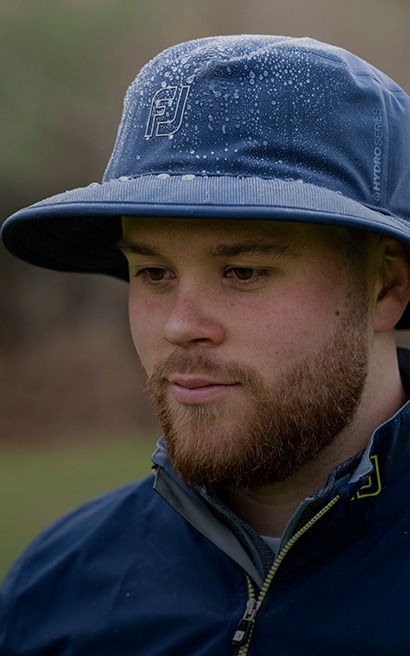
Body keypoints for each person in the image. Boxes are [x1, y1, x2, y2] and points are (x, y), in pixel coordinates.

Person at [1, 34, 409, 655]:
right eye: (154, 273)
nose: (180, 325)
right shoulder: (54, 592)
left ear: (386, 287)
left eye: (243, 271)